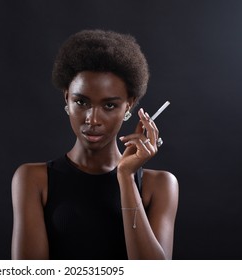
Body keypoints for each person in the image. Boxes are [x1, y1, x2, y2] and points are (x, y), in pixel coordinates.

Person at [11, 29, 179, 260]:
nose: (93, 119)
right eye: (81, 102)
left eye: (109, 105)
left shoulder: (159, 185)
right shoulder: (33, 179)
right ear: (66, 98)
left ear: (129, 106)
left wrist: (126, 178)